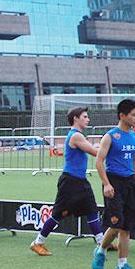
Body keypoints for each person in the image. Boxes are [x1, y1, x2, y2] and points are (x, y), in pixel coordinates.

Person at [29, 107, 104, 257]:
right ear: (76, 118)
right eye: (85, 116)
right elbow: (96, 152)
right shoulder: (76, 136)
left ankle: (102, 243)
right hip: (70, 182)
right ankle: (38, 242)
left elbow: (95, 150)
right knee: (57, 213)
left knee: (91, 210)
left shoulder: (79, 135)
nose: (88, 119)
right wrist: (110, 146)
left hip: (80, 181)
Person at [92, 99, 135, 269]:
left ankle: (122, 265)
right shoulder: (110, 136)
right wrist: (106, 183)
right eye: (133, 115)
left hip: (129, 183)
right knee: (116, 223)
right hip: (114, 181)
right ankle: (101, 250)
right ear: (122, 115)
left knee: (127, 227)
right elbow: (99, 161)